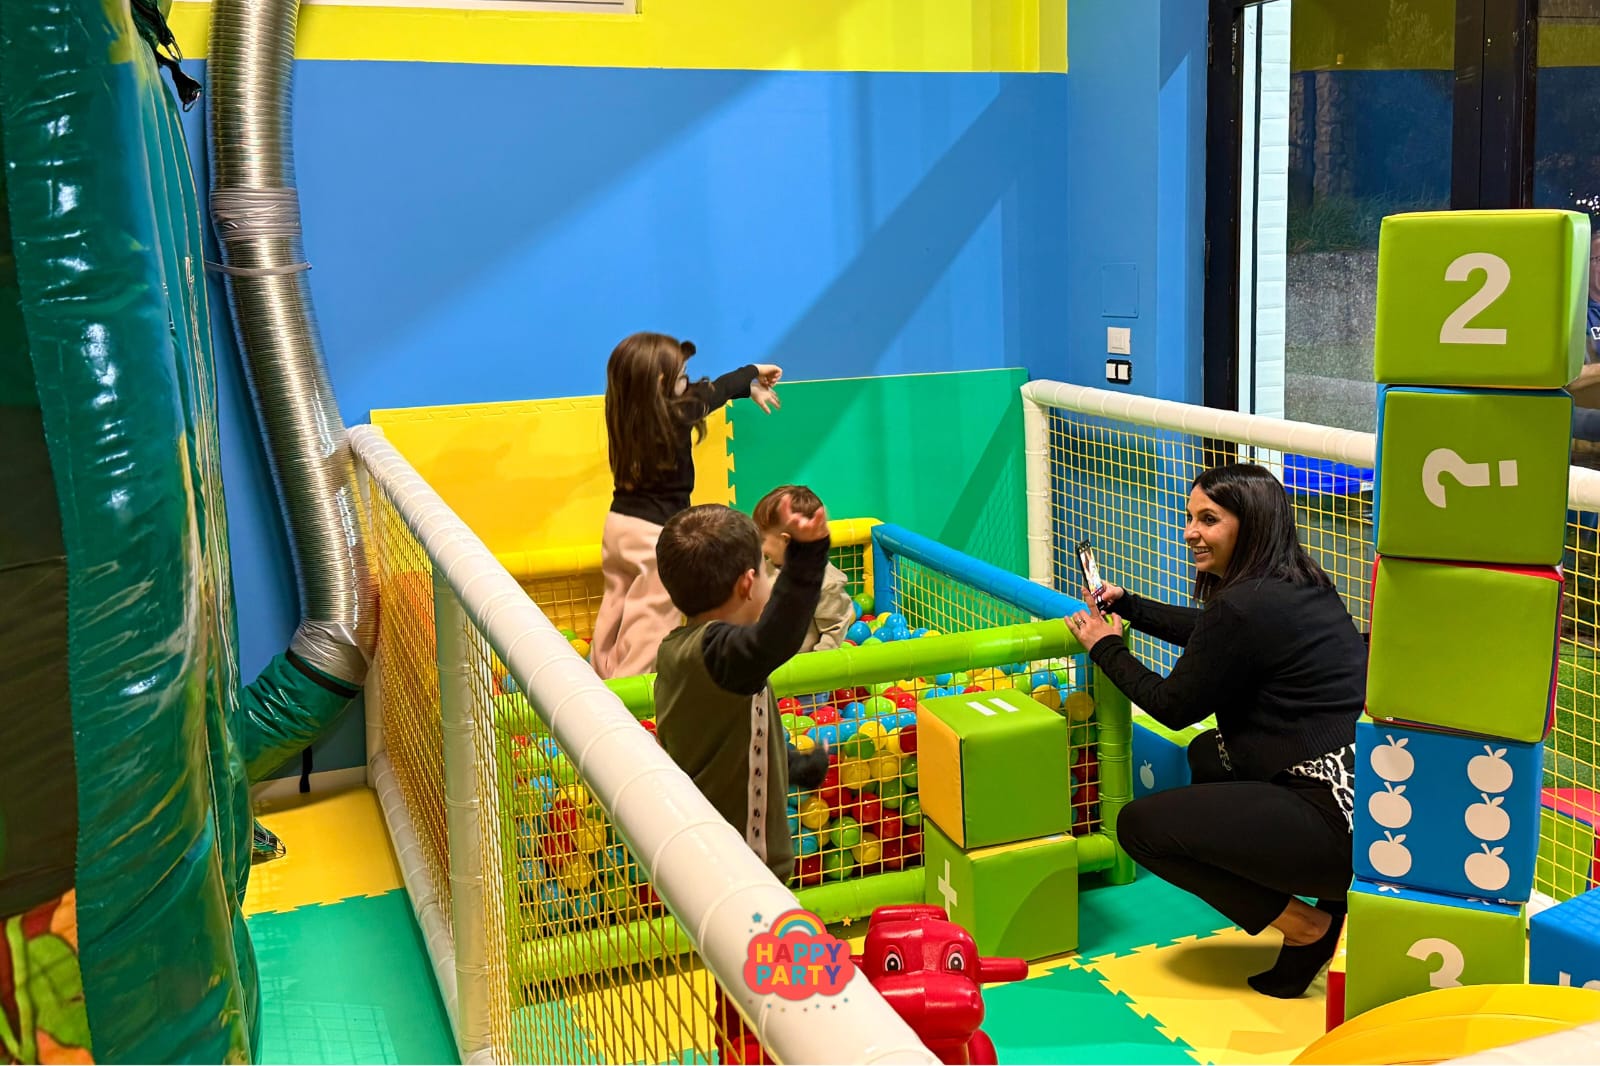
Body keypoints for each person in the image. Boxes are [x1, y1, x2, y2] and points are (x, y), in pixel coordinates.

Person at [1064, 463, 1366, 1000]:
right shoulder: (1300, 581)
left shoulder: (1241, 606)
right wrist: (1129, 606)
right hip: (1367, 804)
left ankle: (1308, 926)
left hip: (1334, 825)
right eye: (1189, 518)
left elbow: (1171, 706)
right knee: (1208, 754)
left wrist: (1104, 646)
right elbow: (1215, 634)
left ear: (1251, 523)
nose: (1190, 533)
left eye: (1208, 519)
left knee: (1139, 827)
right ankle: (1324, 900)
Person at [653, 498, 832, 1065]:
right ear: (748, 584)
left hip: (715, 863)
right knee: (761, 1013)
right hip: (743, 874)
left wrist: (794, 766)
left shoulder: (680, 649)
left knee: (748, 1000)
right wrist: (808, 555)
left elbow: (727, 739)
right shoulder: (724, 654)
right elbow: (774, 638)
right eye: (768, 573)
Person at [590, 333, 781, 680]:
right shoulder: (675, 416)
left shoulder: (626, 411)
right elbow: (714, 392)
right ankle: (627, 695)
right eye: (681, 377)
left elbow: (700, 392)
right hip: (653, 536)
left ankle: (598, 674)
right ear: (661, 383)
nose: (688, 383)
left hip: (618, 527)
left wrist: (749, 388)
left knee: (615, 606)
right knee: (651, 620)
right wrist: (753, 371)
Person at [752, 485, 856, 653]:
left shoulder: (823, 583)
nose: (760, 547)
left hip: (800, 662)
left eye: (762, 539)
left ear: (786, 541)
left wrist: (818, 661)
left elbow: (835, 627)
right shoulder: (770, 566)